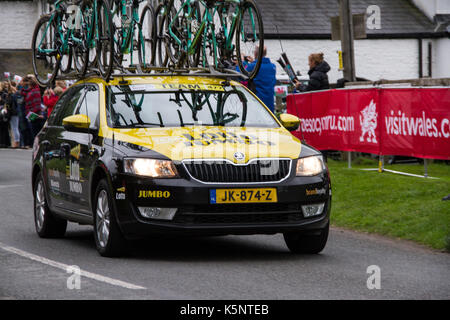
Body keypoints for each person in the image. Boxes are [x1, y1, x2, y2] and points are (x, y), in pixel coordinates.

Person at [245, 46, 277, 113]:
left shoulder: (252, 66)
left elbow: (240, 76)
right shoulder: (273, 67)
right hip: (269, 103)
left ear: (255, 53)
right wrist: (254, 61)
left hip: (257, 102)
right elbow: (262, 69)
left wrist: (240, 63)